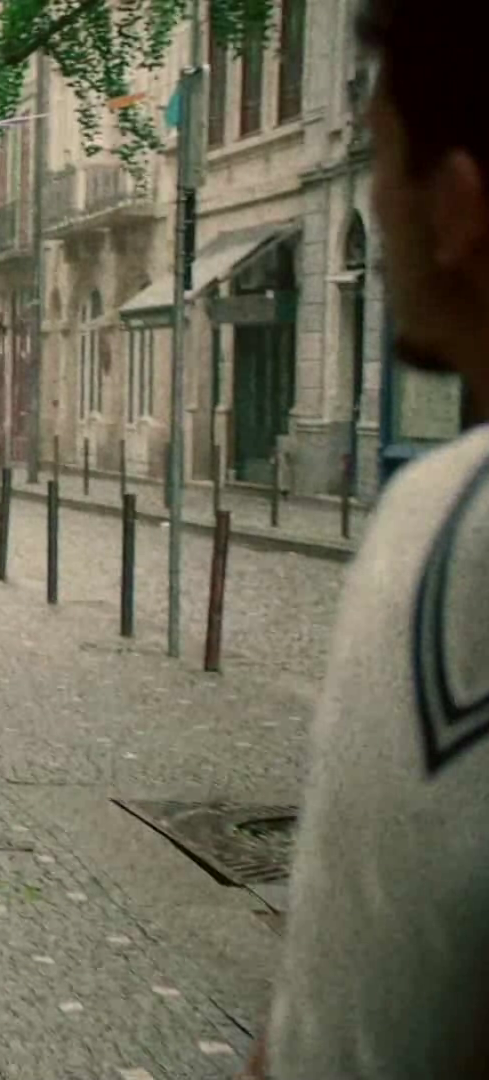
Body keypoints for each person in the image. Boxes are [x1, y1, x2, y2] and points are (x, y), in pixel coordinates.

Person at [250, 0, 489, 1075]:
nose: (377, 214)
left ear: (456, 207)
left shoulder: (443, 527)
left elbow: (341, 1032)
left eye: (380, 155)